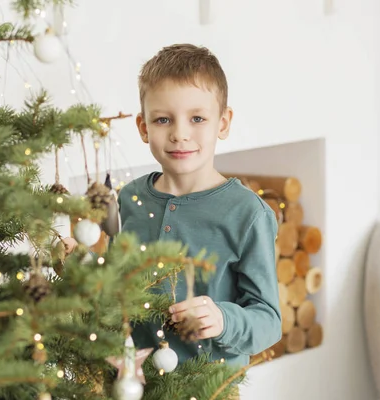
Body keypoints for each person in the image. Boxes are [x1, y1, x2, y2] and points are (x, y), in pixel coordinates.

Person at [115, 43, 282, 368]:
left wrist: (222, 319)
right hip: (135, 382)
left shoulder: (248, 214)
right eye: (163, 120)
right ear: (143, 127)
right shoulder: (130, 198)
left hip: (210, 385)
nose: (180, 134)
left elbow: (269, 321)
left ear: (222, 123)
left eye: (197, 118)